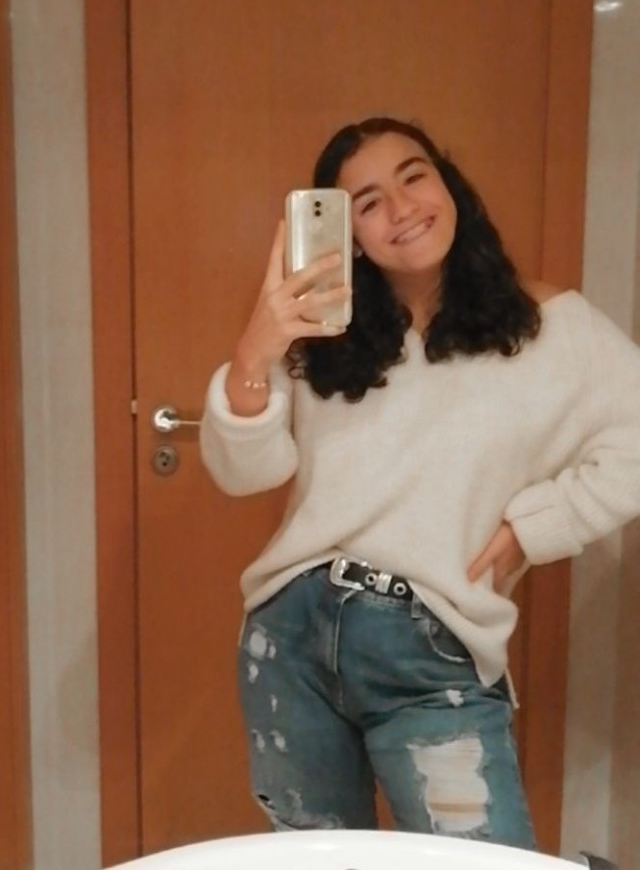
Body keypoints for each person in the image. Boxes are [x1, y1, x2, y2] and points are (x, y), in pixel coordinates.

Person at [199, 116, 640, 849]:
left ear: (447, 183)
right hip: (287, 639)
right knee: (316, 865)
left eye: (414, 176)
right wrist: (255, 350)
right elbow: (246, 472)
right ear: (350, 234)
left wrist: (536, 526)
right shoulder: (320, 334)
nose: (402, 209)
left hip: (429, 643)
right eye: (368, 202)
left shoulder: (550, 327)